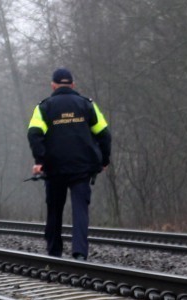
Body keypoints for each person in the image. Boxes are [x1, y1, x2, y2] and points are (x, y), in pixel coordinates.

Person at [27, 68, 112, 261]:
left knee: (54, 208)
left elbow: (34, 133)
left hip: (54, 168)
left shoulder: (44, 107)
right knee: (80, 209)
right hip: (82, 168)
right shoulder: (87, 105)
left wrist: (40, 160)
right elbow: (104, 134)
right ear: (73, 85)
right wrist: (104, 160)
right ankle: (80, 252)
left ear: (53, 85)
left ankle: (54, 251)